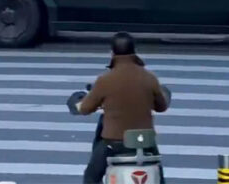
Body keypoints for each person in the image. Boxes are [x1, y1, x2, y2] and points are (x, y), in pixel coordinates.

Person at [69, 32, 170, 184]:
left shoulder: (105, 80)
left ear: (112, 53)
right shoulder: (149, 78)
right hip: (146, 143)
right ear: (134, 51)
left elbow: (85, 109)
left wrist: (79, 103)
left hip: (114, 144)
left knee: (91, 176)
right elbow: (161, 107)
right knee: (159, 176)